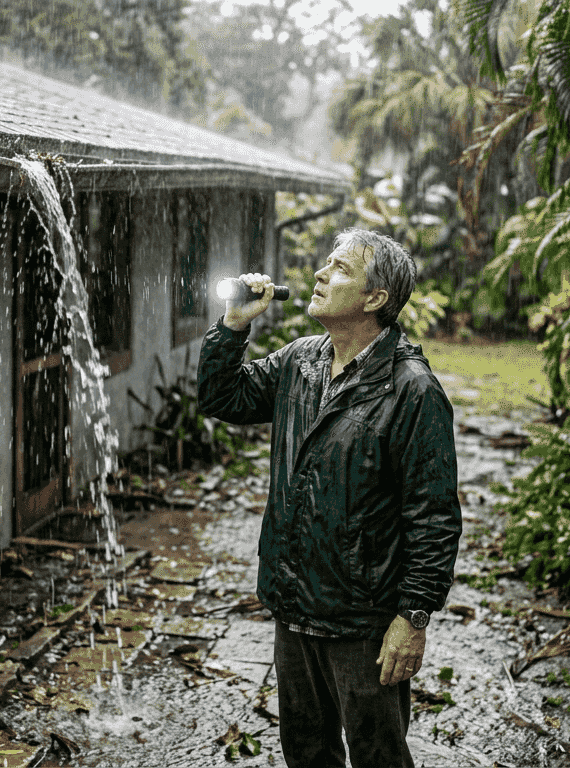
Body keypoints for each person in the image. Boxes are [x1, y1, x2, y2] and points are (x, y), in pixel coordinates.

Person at [197, 229, 462, 767]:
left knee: (377, 755)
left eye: (339, 269)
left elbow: (433, 515)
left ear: (375, 298)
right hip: (294, 603)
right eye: (325, 263)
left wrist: (413, 618)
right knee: (307, 753)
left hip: (362, 618)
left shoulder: (411, 389)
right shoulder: (301, 361)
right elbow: (221, 396)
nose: (319, 274)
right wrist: (233, 326)